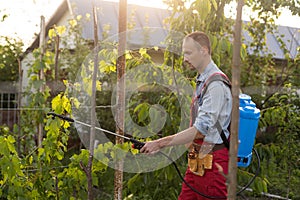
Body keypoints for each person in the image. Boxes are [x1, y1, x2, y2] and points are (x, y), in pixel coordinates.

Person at [140, 31, 232, 199]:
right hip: (197, 161)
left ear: (204, 50)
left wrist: (160, 143)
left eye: (188, 53)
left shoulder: (216, 84)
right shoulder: (202, 80)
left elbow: (201, 129)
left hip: (213, 163)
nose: (185, 58)